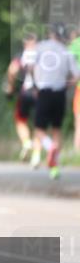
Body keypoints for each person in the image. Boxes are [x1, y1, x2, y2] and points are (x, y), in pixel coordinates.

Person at [31, 23, 80, 180]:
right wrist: (68, 83)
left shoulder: (40, 47)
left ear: (49, 33)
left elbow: (31, 67)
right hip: (60, 93)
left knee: (39, 129)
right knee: (57, 129)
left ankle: (49, 147)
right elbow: (76, 75)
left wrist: (35, 82)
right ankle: (54, 168)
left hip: (44, 91)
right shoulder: (66, 51)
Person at [5, 34, 38, 161]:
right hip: (40, 94)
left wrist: (10, 86)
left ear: (25, 44)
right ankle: (36, 154)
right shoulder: (42, 56)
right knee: (39, 125)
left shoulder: (21, 55)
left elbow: (12, 70)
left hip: (25, 93)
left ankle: (26, 143)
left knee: (20, 120)